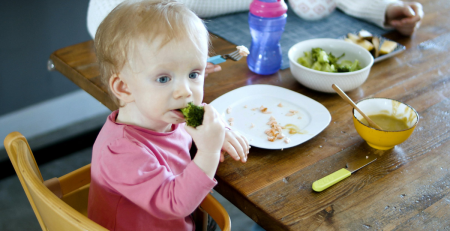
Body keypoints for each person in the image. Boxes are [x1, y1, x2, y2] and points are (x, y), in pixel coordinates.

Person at [87, 0, 250, 230]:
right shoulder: (121, 150)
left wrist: (218, 130)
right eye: (164, 79)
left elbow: (201, 119)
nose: (185, 91)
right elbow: (175, 204)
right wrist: (209, 151)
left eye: (193, 73)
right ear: (124, 87)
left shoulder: (167, 113)